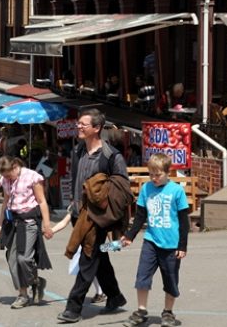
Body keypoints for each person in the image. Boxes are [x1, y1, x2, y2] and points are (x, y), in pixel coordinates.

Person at [57, 108, 129, 323]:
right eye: (78, 123)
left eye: (83, 124)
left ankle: (73, 308)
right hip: (80, 213)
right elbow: (73, 177)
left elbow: (122, 187)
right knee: (98, 254)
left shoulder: (111, 156)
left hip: (98, 217)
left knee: (88, 260)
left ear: (96, 128)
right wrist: (72, 201)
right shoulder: (78, 150)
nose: (78, 127)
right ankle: (115, 297)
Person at [121, 153, 190, 327]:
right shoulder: (146, 189)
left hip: (171, 245)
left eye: (157, 175)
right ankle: (141, 311)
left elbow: (184, 222)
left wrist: (182, 246)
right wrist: (130, 235)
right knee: (142, 276)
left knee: (170, 280)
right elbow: (140, 216)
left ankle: (168, 312)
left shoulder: (177, 191)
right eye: (151, 174)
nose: (153, 178)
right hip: (151, 241)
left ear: (168, 172)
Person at [0, 156, 53, 309]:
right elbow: (5, 202)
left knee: (23, 259)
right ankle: (23, 294)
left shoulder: (32, 177)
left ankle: (36, 281)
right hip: (12, 223)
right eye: (4, 176)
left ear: (15, 167)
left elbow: (42, 201)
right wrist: (0, 225)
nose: (7, 178)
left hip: (29, 223)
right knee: (12, 258)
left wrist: (47, 225)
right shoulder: (6, 180)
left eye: (8, 175)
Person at [51, 213, 107, 305]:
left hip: (93, 243)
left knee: (91, 270)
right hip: (83, 244)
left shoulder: (91, 207)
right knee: (91, 270)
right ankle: (101, 293)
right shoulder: (75, 208)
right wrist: (51, 230)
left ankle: (102, 293)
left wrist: (115, 242)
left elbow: (107, 225)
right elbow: (64, 222)